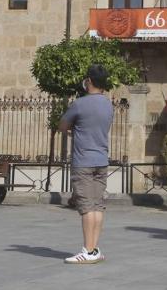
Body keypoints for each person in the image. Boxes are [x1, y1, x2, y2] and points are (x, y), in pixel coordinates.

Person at [59, 63, 115, 265]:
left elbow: (62, 126)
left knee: (86, 207)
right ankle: (95, 249)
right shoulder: (109, 105)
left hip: (83, 161)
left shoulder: (79, 104)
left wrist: (74, 130)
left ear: (88, 81)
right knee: (98, 206)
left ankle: (88, 250)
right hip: (101, 159)